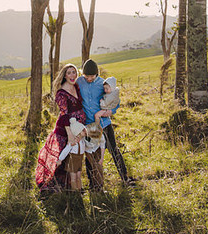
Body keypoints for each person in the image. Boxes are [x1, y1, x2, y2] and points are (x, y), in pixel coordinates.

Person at [35, 63, 103, 193]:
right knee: (65, 156)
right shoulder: (61, 93)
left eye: (74, 72)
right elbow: (64, 115)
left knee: (75, 158)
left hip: (78, 128)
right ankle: (62, 187)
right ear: (64, 75)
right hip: (66, 130)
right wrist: (70, 134)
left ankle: (74, 186)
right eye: (69, 73)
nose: (72, 75)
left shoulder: (76, 87)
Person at [77, 58, 136, 187]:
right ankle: (93, 184)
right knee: (90, 154)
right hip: (89, 126)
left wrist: (111, 111)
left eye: (92, 76)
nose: (89, 79)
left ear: (96, 74)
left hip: (104, 123)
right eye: (86, 76)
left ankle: (125, 178)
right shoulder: (79, 82)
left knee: (113, 149)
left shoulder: (102, 83)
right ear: (83, 74)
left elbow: (115, 100)